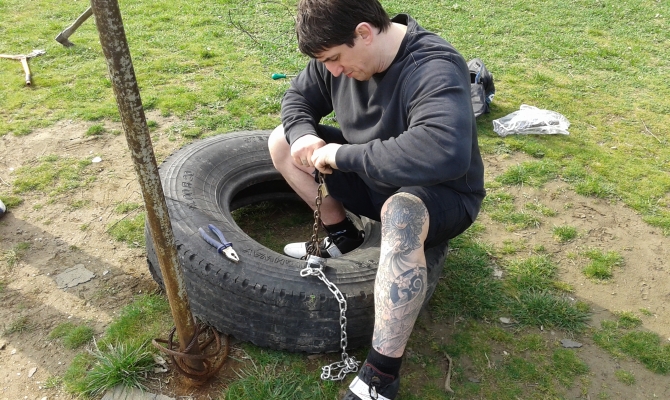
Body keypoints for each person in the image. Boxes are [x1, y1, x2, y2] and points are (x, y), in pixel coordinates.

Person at [268, 0, 485, 398]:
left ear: (364, 33)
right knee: (281, 141)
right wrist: (303, 135)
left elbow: (444, 151)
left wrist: (342, 155)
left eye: (335, 59)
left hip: (441, 194)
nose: (332, 71)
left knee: (401, 212)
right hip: (373, 180)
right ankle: (342, 236)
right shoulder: (335, 54)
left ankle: (381, 376)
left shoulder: (432, 65)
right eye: (324, 62)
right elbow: (298, 96)